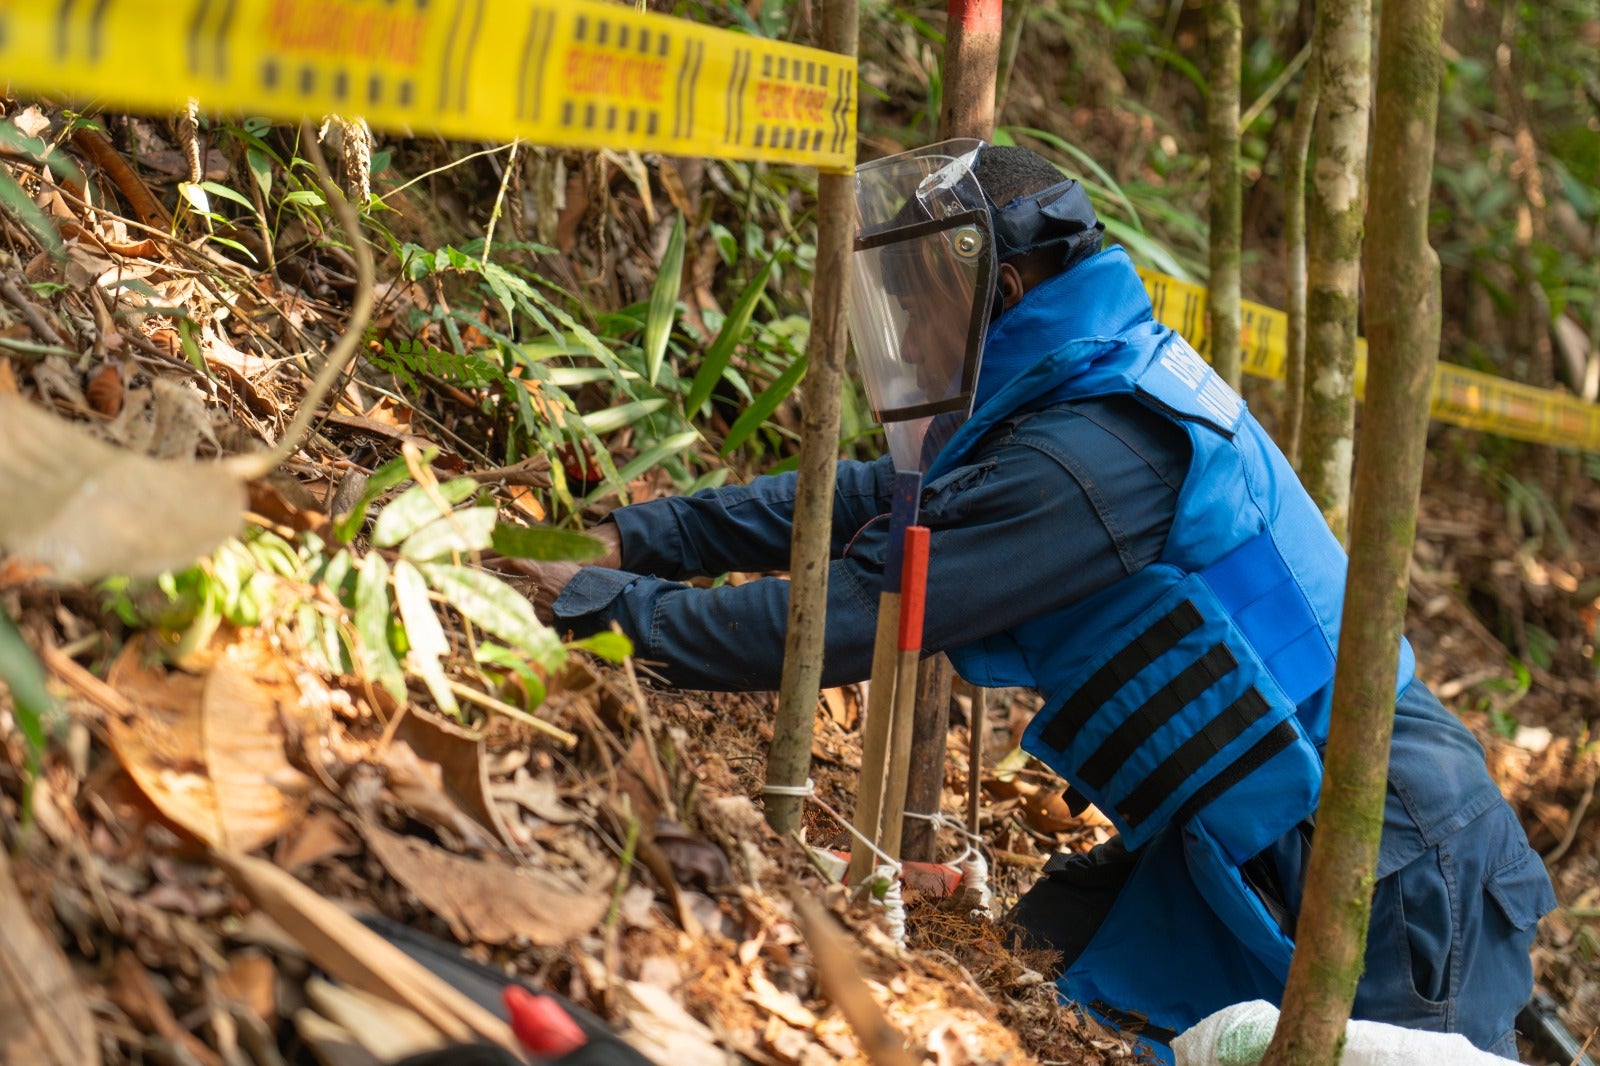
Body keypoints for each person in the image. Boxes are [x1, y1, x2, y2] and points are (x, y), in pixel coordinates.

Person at [524, 141, 1556, 1061]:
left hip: (1389, 860)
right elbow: (870, 500)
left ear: (1006, 289)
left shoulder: (1092, 457)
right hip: (1255, 827)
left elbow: (843, 622)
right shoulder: (1086, 384)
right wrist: (637, 538)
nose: (909, 326)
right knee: (1037, 986)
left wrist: (590, 608)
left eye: (925, 296)